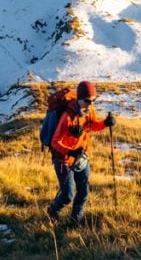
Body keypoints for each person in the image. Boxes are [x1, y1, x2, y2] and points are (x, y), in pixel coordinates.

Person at [46, 80, 116, 226]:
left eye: (93, 100)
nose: (91, 104)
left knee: (84, 192)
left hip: (82, 158)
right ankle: (52, 211)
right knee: (68, 195)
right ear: (79, 98)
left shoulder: (89, 110)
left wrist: (105, 123)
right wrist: (70, 151)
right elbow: (54, 143)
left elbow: (92, 125)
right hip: (64, 161)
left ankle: (75, 221)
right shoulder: (67, 117)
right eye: (87, 101)